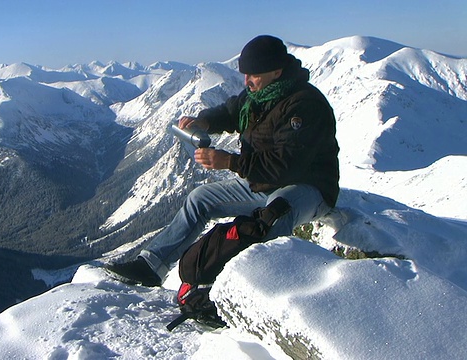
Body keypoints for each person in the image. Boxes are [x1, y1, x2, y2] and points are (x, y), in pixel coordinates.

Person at [106, 35, 340, 286]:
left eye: (253, 75)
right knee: (200, 199)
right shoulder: (258, 94)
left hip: (308, 188)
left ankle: (261, 285)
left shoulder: (303, 105)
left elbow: (286, 166)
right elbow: (230, 112)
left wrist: (230, 162)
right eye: (245, 74)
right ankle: (151, 265)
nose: (247, 81)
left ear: (277, 71)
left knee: (277, 210)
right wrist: (204, 122)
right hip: (263, 183)